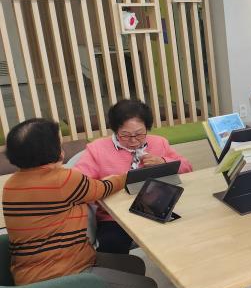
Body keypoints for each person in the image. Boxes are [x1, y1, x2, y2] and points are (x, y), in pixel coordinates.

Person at [2, 119, 161, 288]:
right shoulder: (62, 179)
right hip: (62, 278)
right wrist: (129, 175)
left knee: (133, 266)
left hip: (35, 271)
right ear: (53, 150)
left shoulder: (12, 184)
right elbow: (102, 188)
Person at [75, 99, 192, 254]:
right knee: (111, 245)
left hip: (156, 209)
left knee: (185, 235)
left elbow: (187, 167)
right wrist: (106, 184)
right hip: (115, 217)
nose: (133, 140)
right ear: (115, 130)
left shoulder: (159, 143)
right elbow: (78, 182)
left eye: (139, 134)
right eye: (125, 135)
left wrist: (163, 161)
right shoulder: (97, 149)